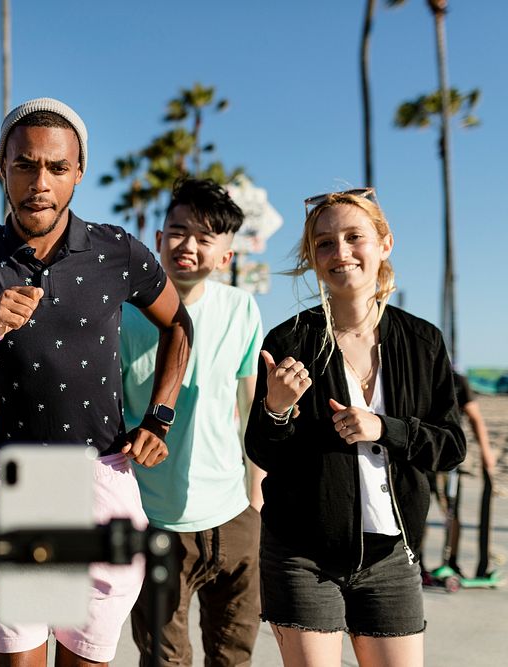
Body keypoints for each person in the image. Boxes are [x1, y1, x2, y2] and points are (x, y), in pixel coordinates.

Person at [0, 98, 193, 667]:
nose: (40, 183)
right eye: (25, 165)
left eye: (57, 168)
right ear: (3, 166)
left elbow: (179, 325)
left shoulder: (117, 250)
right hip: (23, 480)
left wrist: (159, 415)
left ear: (78, 172)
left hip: (103, 476)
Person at [244, 188, 466, 667]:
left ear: (384, 243)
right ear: (312, 258)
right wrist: (276, 408)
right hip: (302, 557)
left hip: (392, 557)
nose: (340, 252)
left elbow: (451, 447)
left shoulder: (423, 341)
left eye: (354, 237)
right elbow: (263, 451)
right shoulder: (290, 339)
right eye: (324, 244)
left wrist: (385, 428)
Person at [121, 178, 263, 666]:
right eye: (177, 231)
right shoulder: (121, 314)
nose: (188, 245)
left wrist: (256, 496)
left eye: (205, 238)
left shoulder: (242, 308)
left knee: (233, 656)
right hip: (153, 517)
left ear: (225, 256)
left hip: (234, 511)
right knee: (164, 659)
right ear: (158, 239)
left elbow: (249, 407)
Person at [428, 372, 498, 581]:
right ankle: (417, 561)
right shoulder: (414, 372)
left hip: (444, 456)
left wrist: (486, 451)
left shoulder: (457, 381)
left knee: (449, 509)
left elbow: (474, 416)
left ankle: (451, 561)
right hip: (416, 453)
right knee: (416, 508)